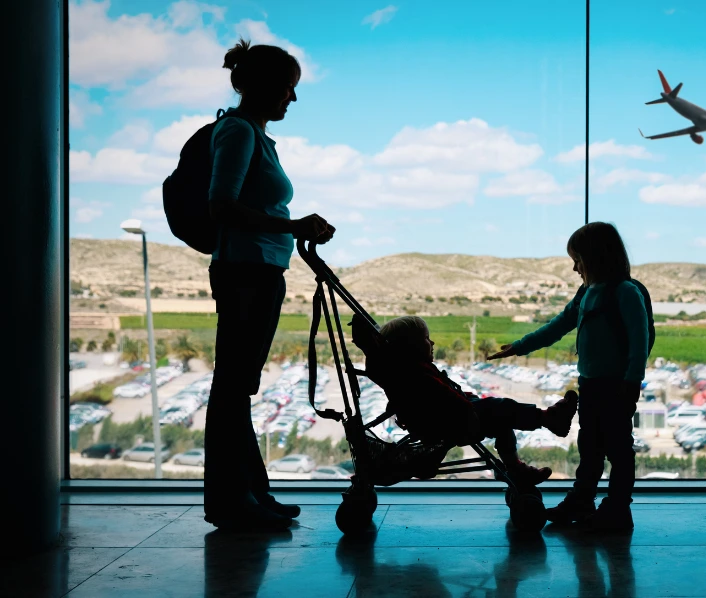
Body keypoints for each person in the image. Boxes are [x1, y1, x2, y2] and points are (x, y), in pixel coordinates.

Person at [204, 39, 336, 531]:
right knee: (232, 390)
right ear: (261, 86)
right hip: (245, 274)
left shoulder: (254, 135)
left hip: (257, 272)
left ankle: (250, 494)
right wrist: (293, 226)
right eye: (288, 88)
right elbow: (222, 206)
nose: (292, 99)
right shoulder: (237, 132)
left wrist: (292, 229)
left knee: (238, 389)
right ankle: (233, 501)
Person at [488, 222, 649, 531]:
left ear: (595, 256)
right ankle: (582, 501)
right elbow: (559, 325)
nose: (575, 267)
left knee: (617, 449)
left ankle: (617, 509)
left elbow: (638, 343)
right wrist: (518, 347)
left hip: (616, 388)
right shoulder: (587, 293)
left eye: (578, 259)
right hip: (590, 385)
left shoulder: (625, 293)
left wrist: (632, 383)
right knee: (590, 447)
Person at [367, 316, 579, 486]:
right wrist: (471, 406)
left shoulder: (408, 373)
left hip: (452, 418)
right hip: (457, 420)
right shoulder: (417, 374)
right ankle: (547, 419)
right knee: (501, 408)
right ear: (410, 346)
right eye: (426, 338)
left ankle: (515, 467)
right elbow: (447, 398)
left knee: (502, 420)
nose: (432, 343)